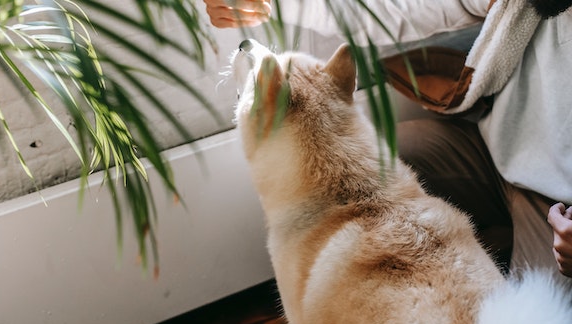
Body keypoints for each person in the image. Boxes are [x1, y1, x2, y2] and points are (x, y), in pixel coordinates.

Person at [202, 0, 572, 282]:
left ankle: (506, 246)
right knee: (351, 166)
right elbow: (405, 5)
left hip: (559, 207)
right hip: (499, 150)